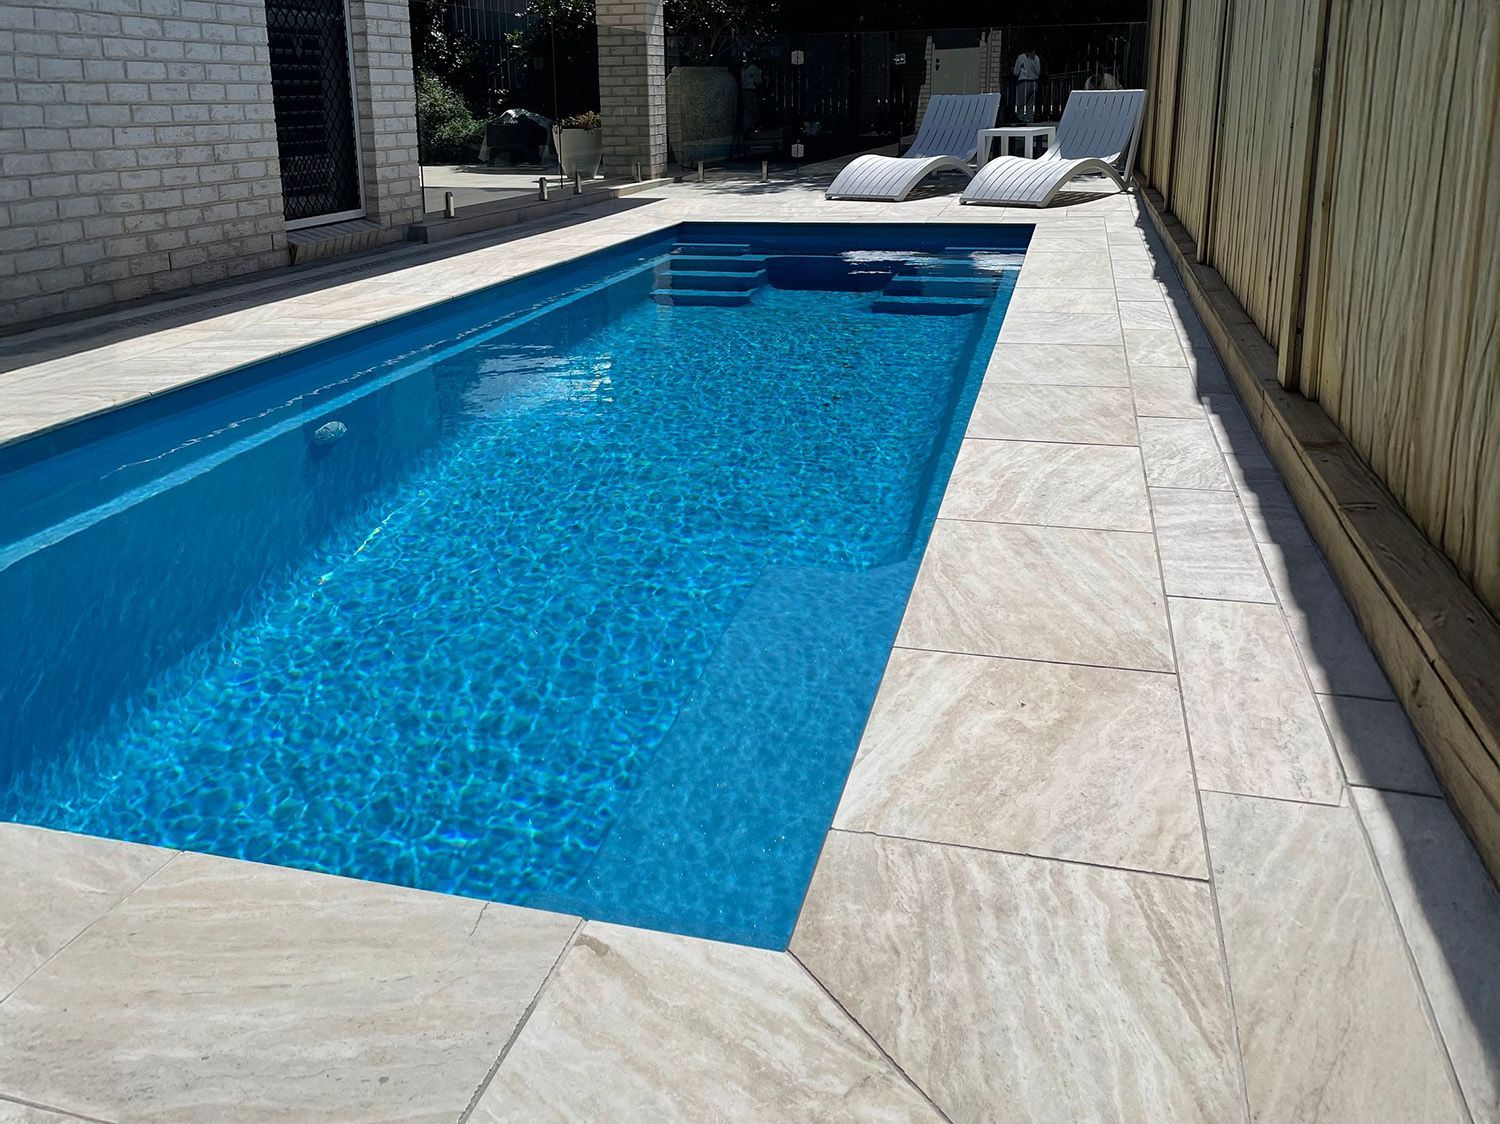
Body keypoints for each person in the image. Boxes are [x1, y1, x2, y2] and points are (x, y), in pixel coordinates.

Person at [1013, 48, 1041, 122]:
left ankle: (1021, 120)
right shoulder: (1036, 58)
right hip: (1034, 83)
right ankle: (1030, 120)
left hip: (1024, 81)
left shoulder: (1021, 57)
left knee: (1021, 103)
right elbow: (1038, 71)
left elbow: (1016, 71)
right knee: (1030, 104)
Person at [740, 58, 763, 134]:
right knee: (752, 110)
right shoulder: (754, 68)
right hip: (751, 90)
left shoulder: (743, 69)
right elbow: (757, 81)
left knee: (747, 111)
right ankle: (748, 128)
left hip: (744, 90)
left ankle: (746, 128)